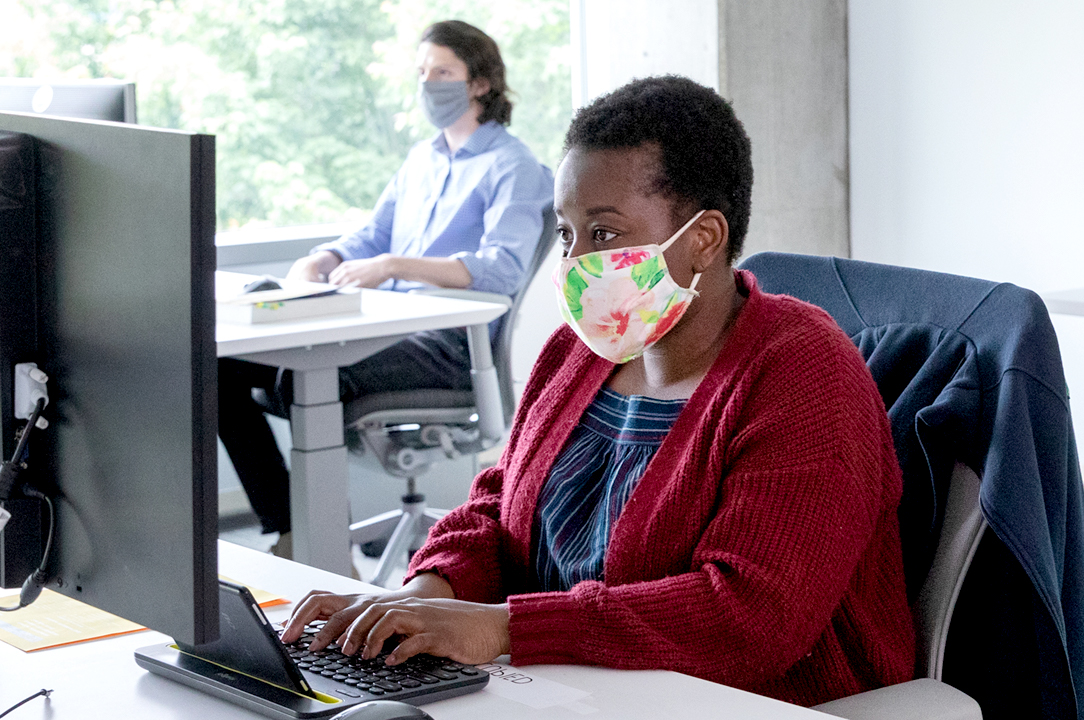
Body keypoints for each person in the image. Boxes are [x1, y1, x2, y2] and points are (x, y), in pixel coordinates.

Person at [281, 75, 915, 707]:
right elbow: (498, 508)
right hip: (566, 690)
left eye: (603, 234)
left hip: (754, 702)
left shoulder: (804, 375)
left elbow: (750, 619)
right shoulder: (579, 352)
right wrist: (424, 596)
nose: (575, 262)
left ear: (703, 239)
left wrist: (501, 627)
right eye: (566, 233)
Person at [219, 20, 554, 552]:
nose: (428, 84)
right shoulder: (421, 159)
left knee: (296, 376)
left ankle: (322, 541)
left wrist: (399, 264)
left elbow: (502, 269)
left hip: (445, 345)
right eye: (422, 72)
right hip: (386, 324)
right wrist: (322, 258)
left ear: (480, 83)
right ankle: (291, 526)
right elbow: (372, 233)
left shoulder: (514, 167)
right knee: (222, 369)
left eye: (442, 72)